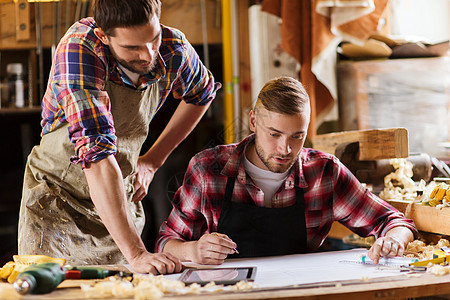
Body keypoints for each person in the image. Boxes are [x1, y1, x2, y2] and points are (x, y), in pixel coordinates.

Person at [17, 0, 221, 275]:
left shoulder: (174, 48)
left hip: (118, 200)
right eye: (132, 48)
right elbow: (98, 157)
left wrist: (152, 160)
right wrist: (137, 253)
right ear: (104, 36)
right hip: (57, 199)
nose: (148, 55)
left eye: (153, 39)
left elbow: (202, 94)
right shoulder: (79, 50)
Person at [156, 76, 417, 265]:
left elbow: (394, 221)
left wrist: (393, 240)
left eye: (297, 136)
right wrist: (193, 250)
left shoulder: (324, 173)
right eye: (274, 134)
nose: (285, 149)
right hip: (231, 291)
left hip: (301, 292)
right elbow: (167, 242)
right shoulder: (208, 169)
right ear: (253, 121)